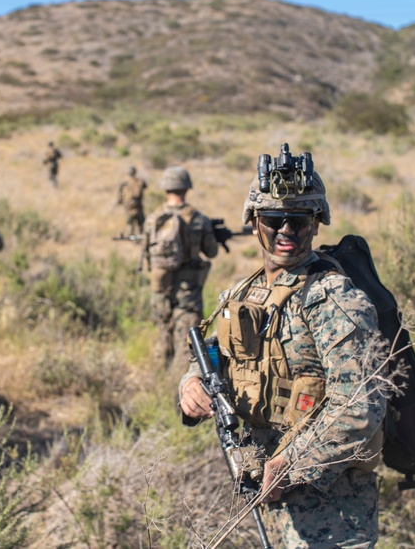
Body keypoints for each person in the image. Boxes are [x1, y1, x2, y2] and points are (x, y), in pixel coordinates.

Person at [177, 145, 388, 548]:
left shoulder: (334, 300)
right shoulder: (244, 291)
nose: (286, 231)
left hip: (332, 510)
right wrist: (191, 384)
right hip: (264, 492)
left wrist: (292, 464)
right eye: (274, 219)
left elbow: (361, 405)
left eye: (299, 220)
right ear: (254, 223)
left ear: (316, 223)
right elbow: (211, 356)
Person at [142, 166, 219, 367]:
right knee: (187, 343)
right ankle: (179, 389)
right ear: (186, 188)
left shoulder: (153, 219)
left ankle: (158, 379)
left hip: (160, 287)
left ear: (166, 188)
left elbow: (146, 255)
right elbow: (211, 252)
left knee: (162, 335)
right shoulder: (197, 220)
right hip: (188, 290)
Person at [117, 166, 148, 237]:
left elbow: (120, 194)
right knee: (141, 221)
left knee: (130, 221)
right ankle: (141, 234)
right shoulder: (140, 181)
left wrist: (120, 200)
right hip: (138, 204)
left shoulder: (124, 181)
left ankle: (131, 234)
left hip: (128, 205)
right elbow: (145, 186)